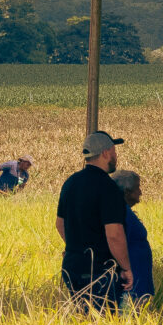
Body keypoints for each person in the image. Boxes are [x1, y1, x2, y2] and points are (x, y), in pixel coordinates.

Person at [55, 130, 132, 310]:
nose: (115, 156)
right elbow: (114, 235)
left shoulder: (70, 183)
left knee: (82, 319)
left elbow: (60, 224)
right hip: (99, 270)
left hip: (72, 266)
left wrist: (77, 247)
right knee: (103, 323)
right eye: (114, 151)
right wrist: (126, 267)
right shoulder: (108, 187)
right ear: (105, 153)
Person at [111, 169, 156, 303]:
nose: (140, 192)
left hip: (138, 278)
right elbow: (118, 241)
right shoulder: (122, 212)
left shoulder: (124, 210)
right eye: (137, 187)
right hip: (132, 283)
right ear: (126, 192)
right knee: (130, 316)